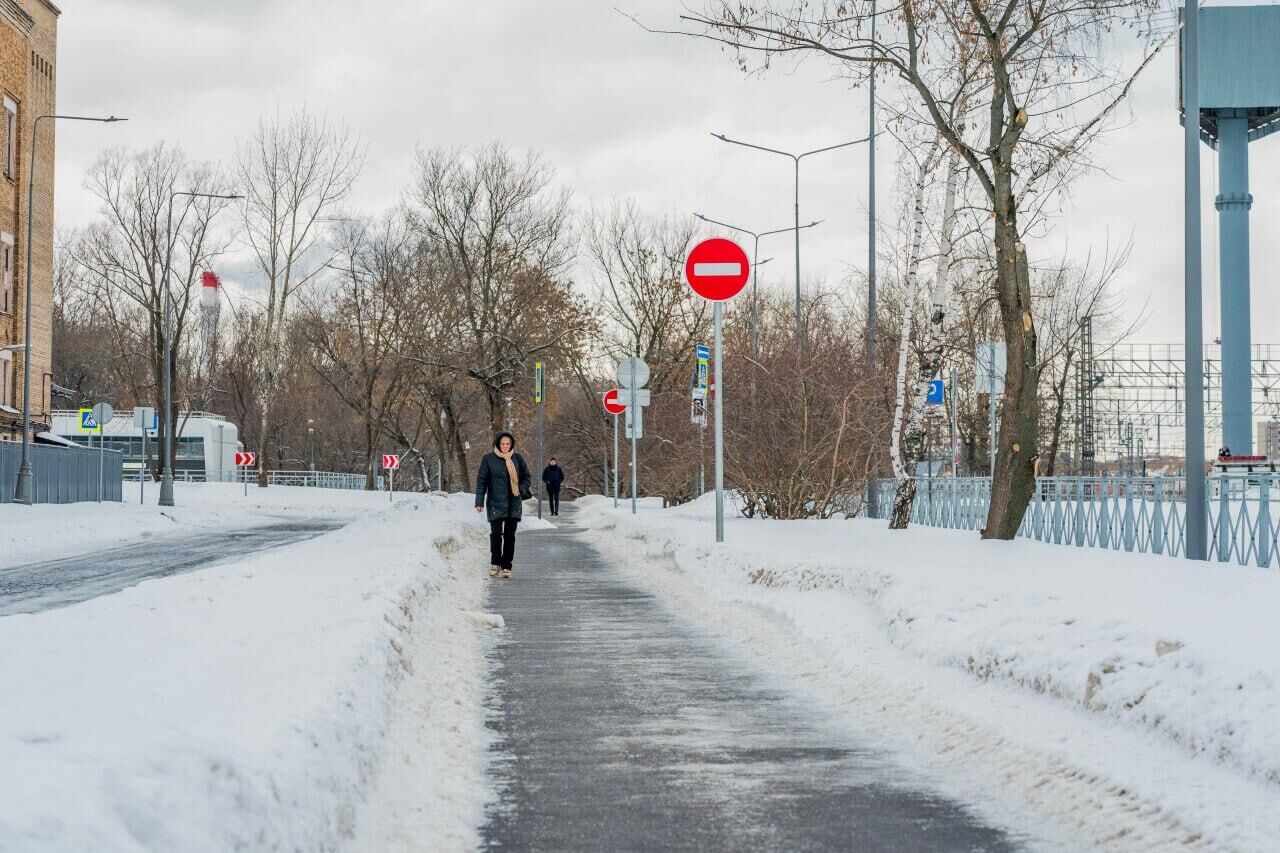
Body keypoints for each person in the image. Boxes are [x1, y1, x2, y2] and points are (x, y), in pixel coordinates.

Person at [475, 432, 532, 579]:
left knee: (509, 535)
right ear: (498, 444)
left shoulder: (517, 458)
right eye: (502, 444)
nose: (505, 446)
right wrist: (479, 501)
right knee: (495, 535)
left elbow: (526, 477)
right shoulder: (488, 459)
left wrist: (522, 489)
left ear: (511, 444)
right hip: (495, 502)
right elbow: (482, 481)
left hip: (514, 503)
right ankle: (495, 563)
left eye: (507, 444)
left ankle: (507, 565)